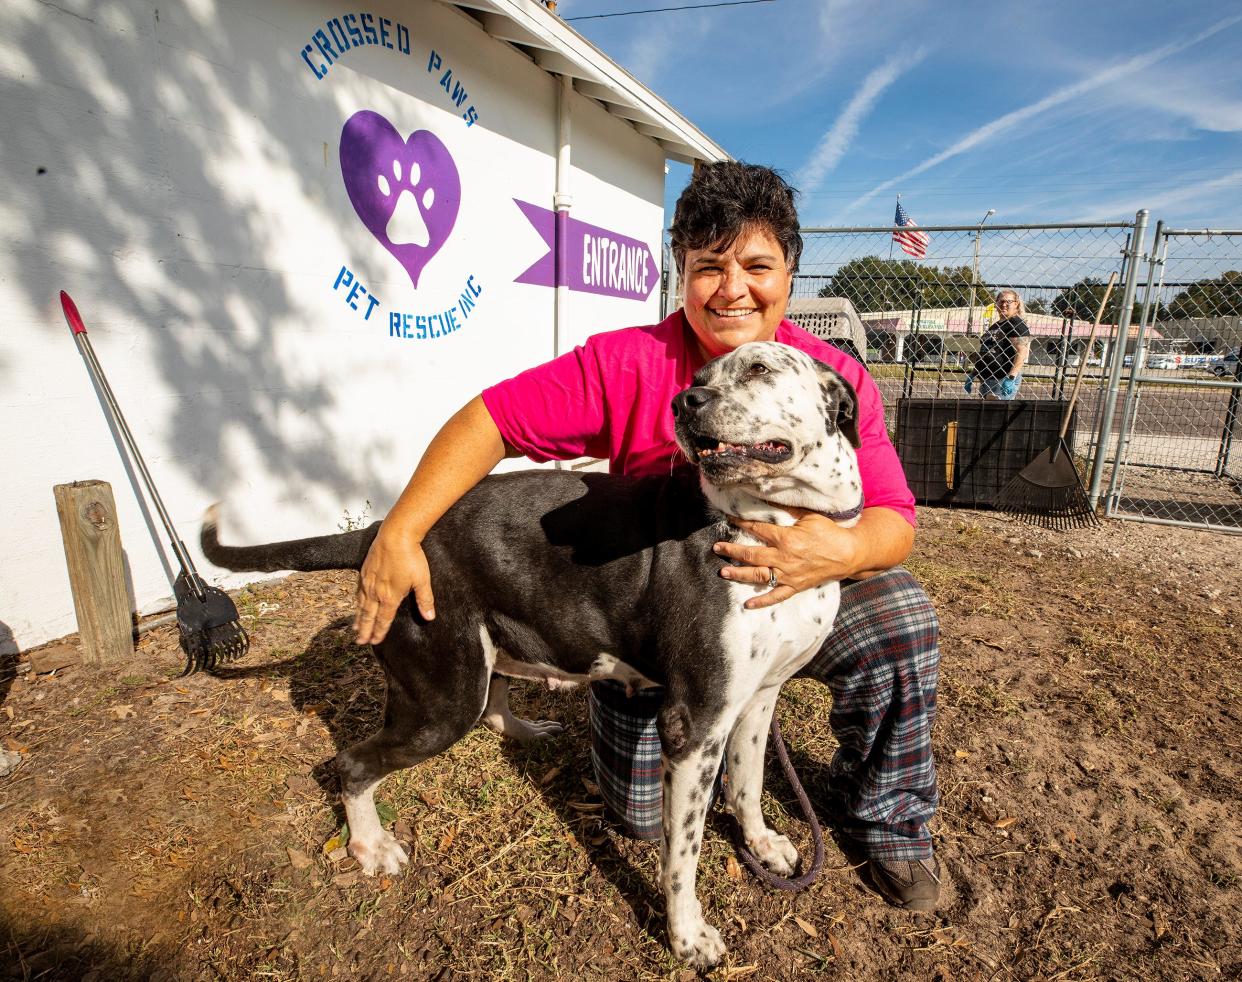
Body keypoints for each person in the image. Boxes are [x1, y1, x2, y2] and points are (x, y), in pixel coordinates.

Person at [353, 161, 943, 910]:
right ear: (681, 274)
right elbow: (488, 422)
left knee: (900, 622)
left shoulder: (829, 377)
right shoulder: (630, 361)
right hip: (664, 614)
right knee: (639, 814)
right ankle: (648, 692)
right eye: (707, 267)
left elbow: (895, 520)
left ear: (789, 273)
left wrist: (844, 550)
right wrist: (400, 533)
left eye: (756, 265)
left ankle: (888, 822)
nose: (732, 288)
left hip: (810, 585)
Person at [966, 290, 1031, 399]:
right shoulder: (995, 326)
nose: (1004, 304)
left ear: (1016, 304)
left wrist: (1011, 378)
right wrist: (973, 374)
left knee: (997, 414)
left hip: (1002, 378)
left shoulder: (1016, 324)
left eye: (1008, 302)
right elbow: (986, 351)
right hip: (987, 379)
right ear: (996, 304)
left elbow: (1022, 351)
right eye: (1001, 301)